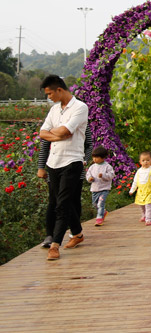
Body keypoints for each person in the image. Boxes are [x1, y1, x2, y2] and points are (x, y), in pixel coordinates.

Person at [38, 75, 89, 261]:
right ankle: (78, 233)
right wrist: (57, 135)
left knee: (63, 204)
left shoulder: (80, 107)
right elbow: (42, 133)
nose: (49, 97)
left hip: (72, 161)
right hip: (54, 162)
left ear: (59, 90)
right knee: (59, 200)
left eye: (50, 94)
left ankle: (55, 245)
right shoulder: (54, 110)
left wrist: (56, 133)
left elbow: (65, 131)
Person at [37, 124, 93, 247]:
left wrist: (84, 159)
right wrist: (41, 167)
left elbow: (89, 145)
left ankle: (74, 233)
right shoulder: (53, 123)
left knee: (73, 201)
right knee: (54, 201)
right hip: (55, 168)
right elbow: (45, 146)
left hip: (74, 169)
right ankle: (50, 235)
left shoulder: (81, 123)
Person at [129, 151, 151, 225]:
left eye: (147, 160)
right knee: (141, 205)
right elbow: (135, 181)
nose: (145, 162)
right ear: (140, 162)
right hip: (141, 191)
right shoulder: (139, 171)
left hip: (150, 191)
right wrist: (132, 190)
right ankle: (144, 215)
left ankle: (148, 219)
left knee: (148, 205)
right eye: (143, 160)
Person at [86, 146, 115, 226]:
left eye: (97, 157)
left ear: (103, 157)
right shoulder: (92, 167)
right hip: (95, 188)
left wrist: (103, 175)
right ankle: (103, 212)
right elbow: (88, 175)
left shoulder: (107, 166)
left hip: (104, 188)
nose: (94, 159)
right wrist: (90, 178)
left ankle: (99, 218)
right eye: (93, 157)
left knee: (100, 203)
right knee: (95, 204)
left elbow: (111, 175)